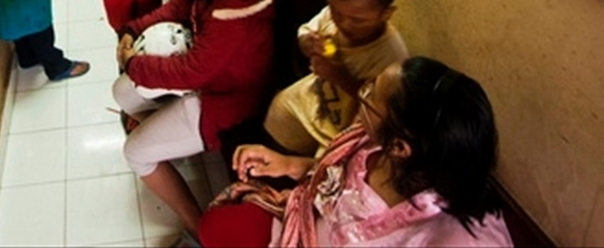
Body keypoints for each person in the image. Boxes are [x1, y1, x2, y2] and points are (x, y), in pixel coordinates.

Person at [199, 57, 513, 247]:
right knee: (216, 225)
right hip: (303, 227)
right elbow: (338, 179)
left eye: (368, 97)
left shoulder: (460, 239)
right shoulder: (373, 142)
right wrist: (291, 165)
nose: (361, 94)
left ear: (400, 147)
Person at [112, 0, 276, 241]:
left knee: (135, 153)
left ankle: (195, 224)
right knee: (123, 93)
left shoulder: (235, 11)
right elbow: (176, 7)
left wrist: (135, 64)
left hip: (226, 103)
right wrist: (132, 30)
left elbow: (192, 71)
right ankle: (166, 133)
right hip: (210, 81)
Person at [263, 0, 408, 157]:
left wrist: (339, 75)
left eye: (358, 20)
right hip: (318, 94)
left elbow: (380, 110)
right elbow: (305, 33)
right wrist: (307, 43)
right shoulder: (333, 16)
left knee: (328, 167)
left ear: (386, 14)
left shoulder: (391, 54)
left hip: (350, 125)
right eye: (336, 12)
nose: (344, 24)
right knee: (279, 109)